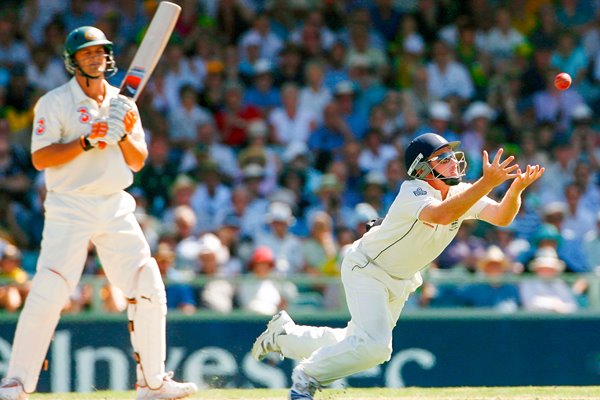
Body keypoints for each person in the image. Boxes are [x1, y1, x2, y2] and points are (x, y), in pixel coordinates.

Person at [251, 133, 544, 399]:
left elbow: (501, 217)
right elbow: (440, 216)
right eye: (443, 158)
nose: (453, 162)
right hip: (367, 268)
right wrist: (487, 183)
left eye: (452, 155)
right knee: (376, 347)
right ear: (422, 169)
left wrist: (515, 189)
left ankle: (285, 337)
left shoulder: (461, 193)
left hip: (400, 279)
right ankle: (306, 378)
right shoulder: (412, 191)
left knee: (357, 341)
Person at [0, 27, 197, 400]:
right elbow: (41, 157)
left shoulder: (125, 104)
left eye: (100, 52)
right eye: (87, 54)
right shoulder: (54, 102)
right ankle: (16, 383)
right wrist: (87, 139)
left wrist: (121, 133)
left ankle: (153, 383)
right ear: (73, 62)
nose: (96, 59)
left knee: (147, 282)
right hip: (69, 204)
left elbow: (137, 161)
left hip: (114, 202)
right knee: (50, 289)